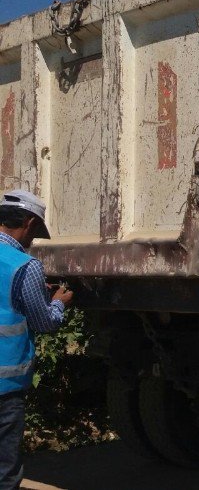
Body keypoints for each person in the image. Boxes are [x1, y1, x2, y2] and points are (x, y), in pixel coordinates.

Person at [0, 190, 72, 490]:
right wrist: (58, 302)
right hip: (5, 388)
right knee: (5, 470)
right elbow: (45, 323)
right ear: (28, 223)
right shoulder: (25, 266)